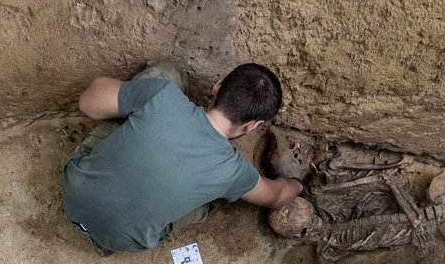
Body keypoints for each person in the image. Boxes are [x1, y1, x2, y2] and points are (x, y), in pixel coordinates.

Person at [62, 62, 306, 253]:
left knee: (165, 75)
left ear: (218, 86)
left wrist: (137, 100)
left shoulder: (162, 95)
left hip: (75, 194)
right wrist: (298, 183)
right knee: (211, 202)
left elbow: (87, 103)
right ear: (253, 125)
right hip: (120, 239)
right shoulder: (233, 170)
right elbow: (276, 196)